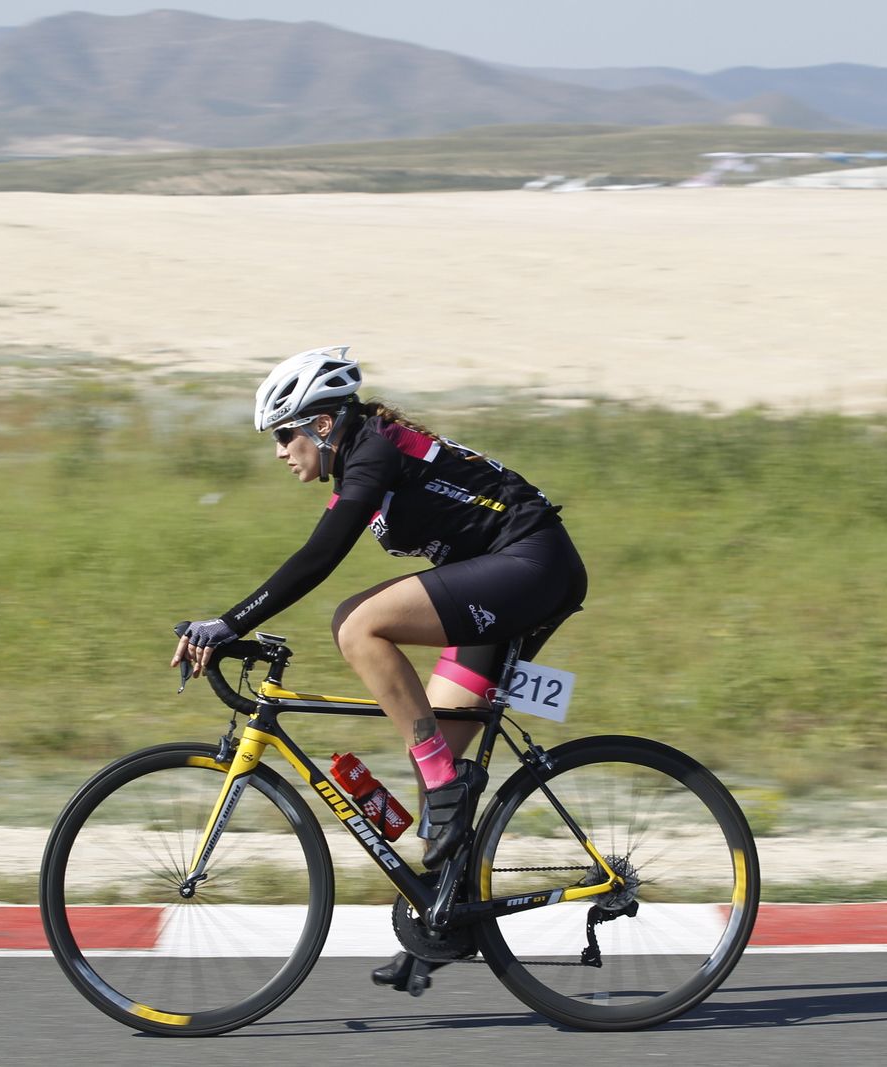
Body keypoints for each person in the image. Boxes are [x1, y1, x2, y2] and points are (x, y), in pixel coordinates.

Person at [171, 345, 588, 988]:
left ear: (324, 423)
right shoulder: (369, 452)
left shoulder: (373, 452)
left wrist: (227, 624)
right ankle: (442, 924)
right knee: (437, 766)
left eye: (286, 435)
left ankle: (447, 793)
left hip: (532, 566)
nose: (281, 451)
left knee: (357, 623)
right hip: (515, 578)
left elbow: (319, 557)